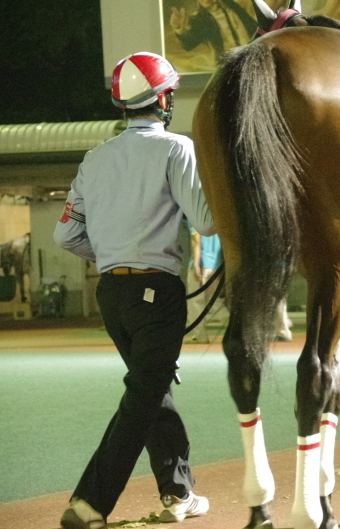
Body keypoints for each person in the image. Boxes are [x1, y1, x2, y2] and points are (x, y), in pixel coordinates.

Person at [53, 52, 212, 529]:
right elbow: (204, 219)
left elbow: (65, 236)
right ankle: (90, 503)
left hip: (111, 295)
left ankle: (178, 492)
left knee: (152, 389)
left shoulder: (94, 158)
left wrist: (109, 252)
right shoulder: (175, 149)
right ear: (162, 98)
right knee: (143, 396)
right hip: (156, 292)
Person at [169, 0, 258, 63]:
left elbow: (252, 27)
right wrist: (179, 29)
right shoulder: (199, 19)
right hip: (228, 66)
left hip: (251, 60)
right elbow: (188, 43)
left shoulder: (233, 6)